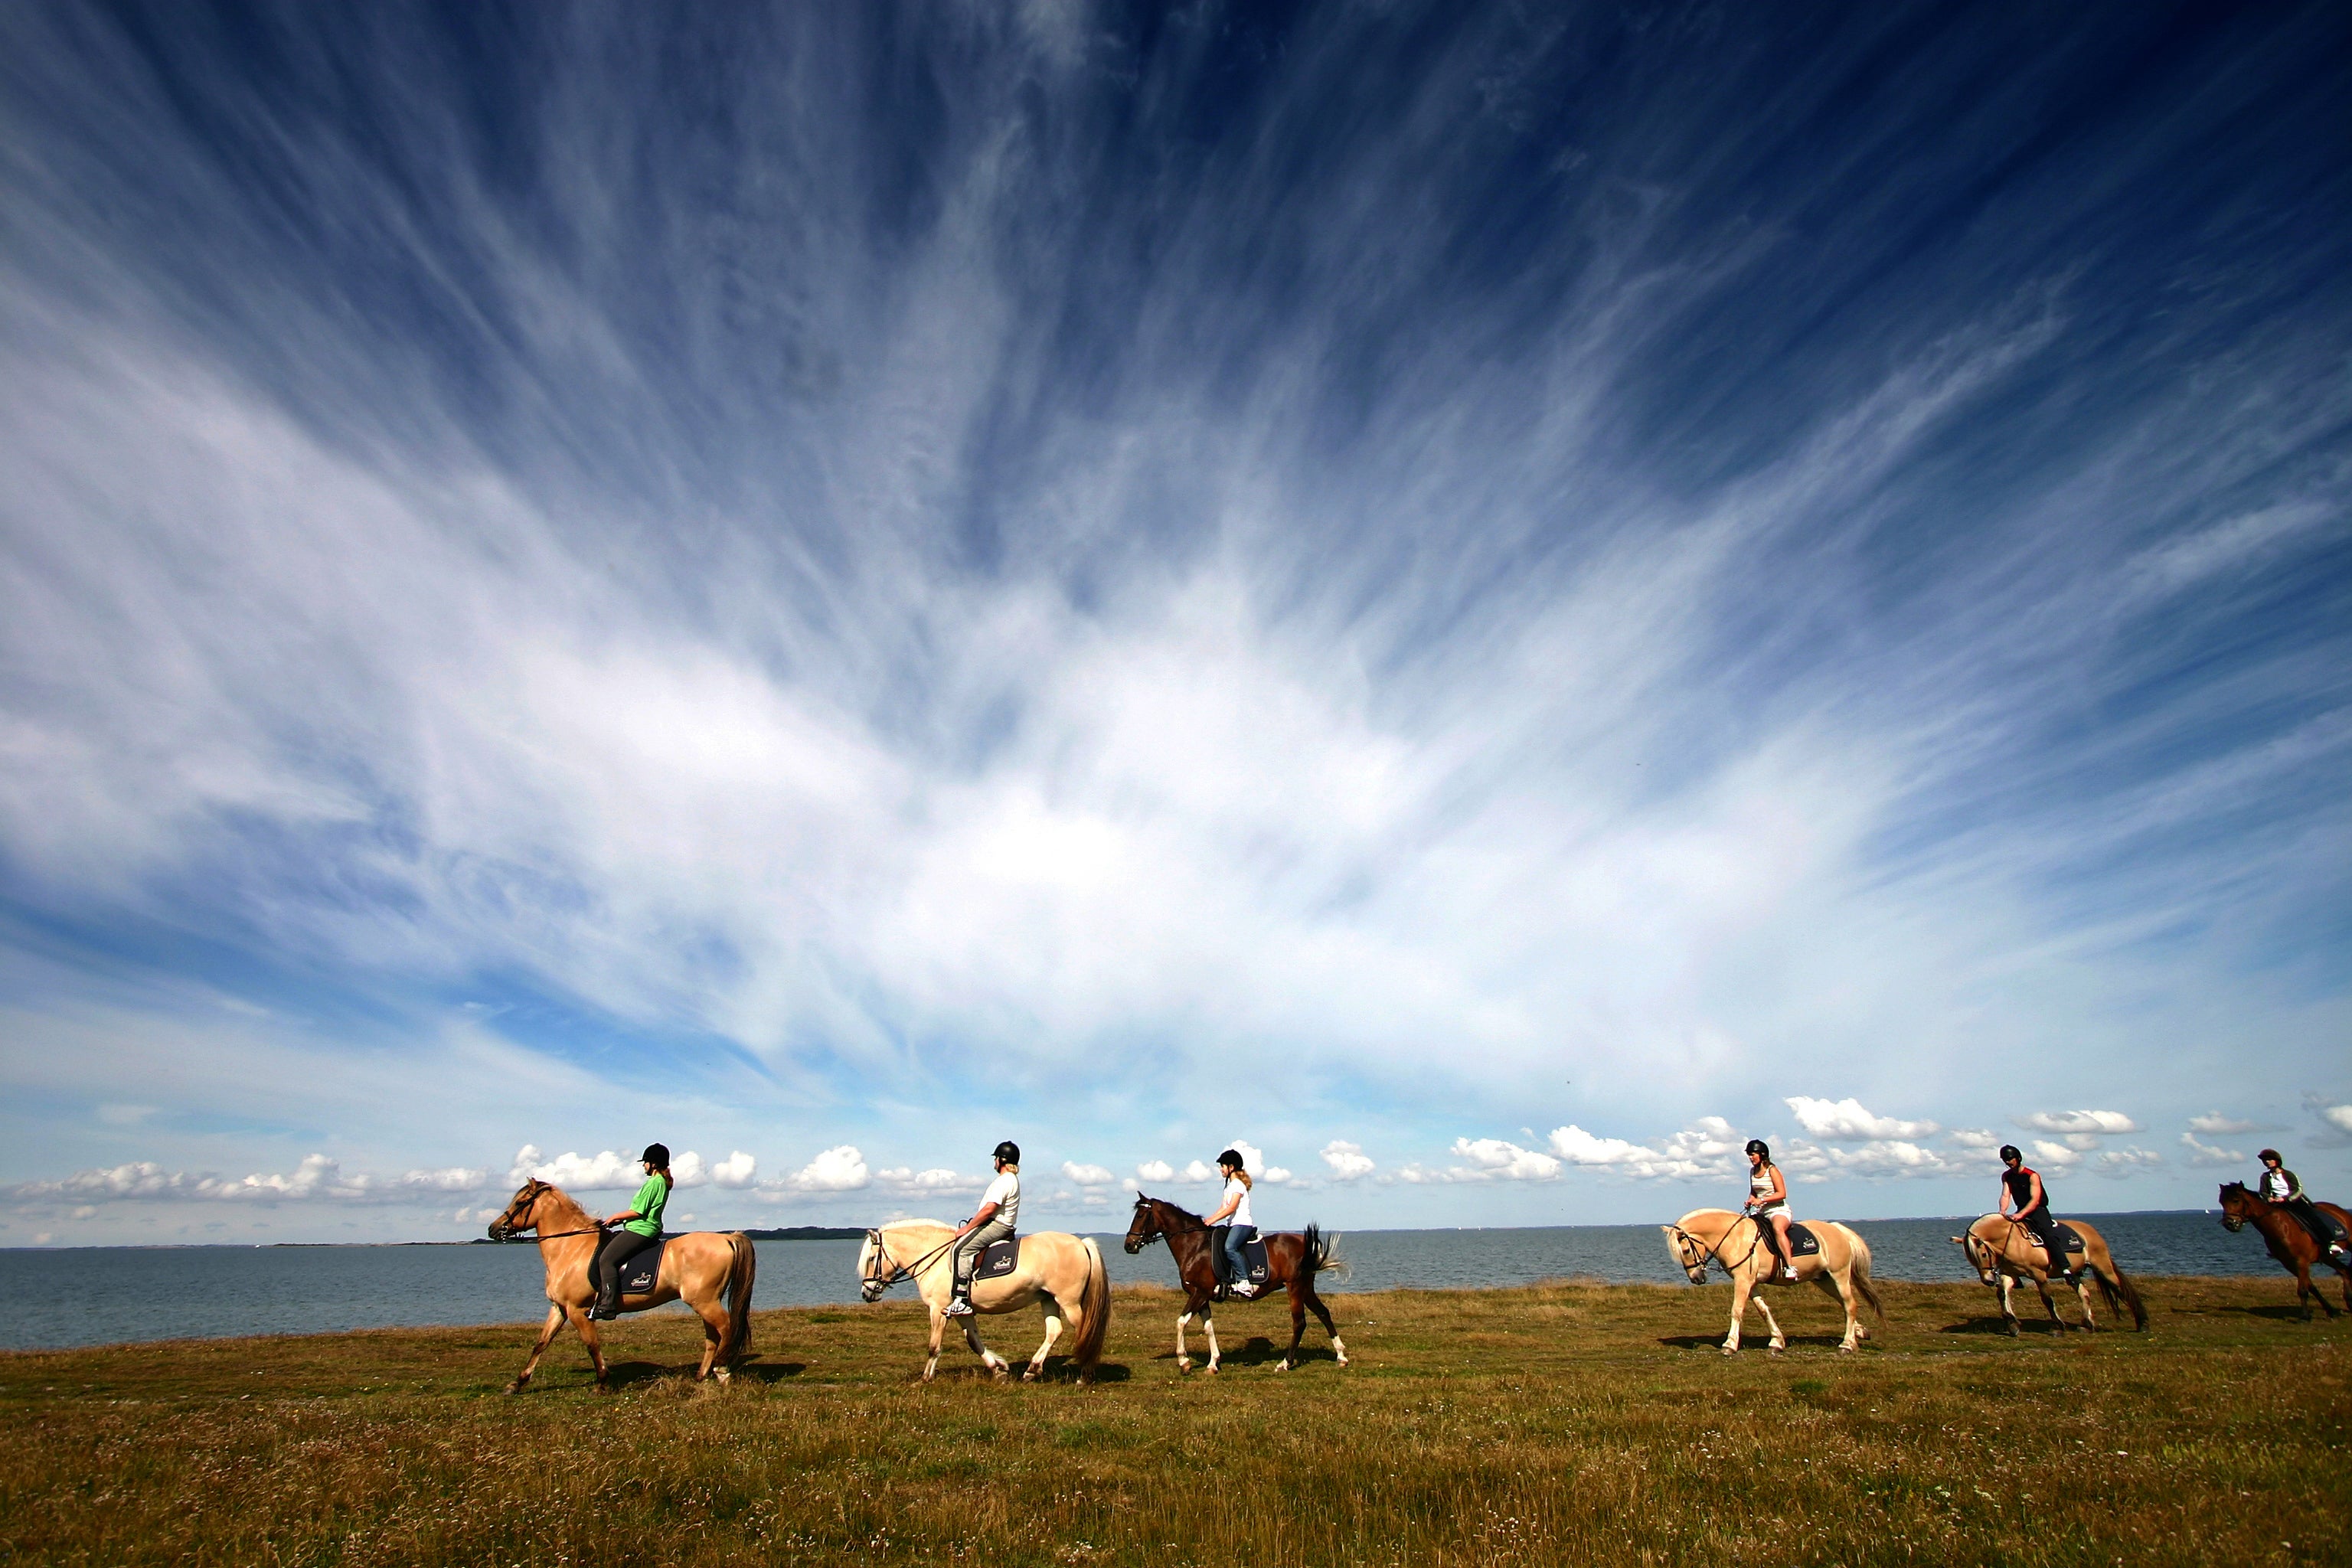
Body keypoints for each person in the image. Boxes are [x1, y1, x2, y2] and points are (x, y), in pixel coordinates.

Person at [593, 1143, 671, 1320]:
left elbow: (639, 1212)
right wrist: (622, 1220)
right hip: (641, 1227)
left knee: (606, 1260)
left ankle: (608, 1305)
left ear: (654, 1164)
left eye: (645, 1162)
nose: (643, 1165)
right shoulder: (659, 1182)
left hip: (642, 1230)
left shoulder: (654, 1183)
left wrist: (616, 1216)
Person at [942, 1141, 1021, 1317]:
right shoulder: (1010, 1180)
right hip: (1000, 1223)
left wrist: (968, 1228)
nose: (994, 1163)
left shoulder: (1005, 1180)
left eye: (996, 1159)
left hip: (998, 1224)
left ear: (1002, 1160)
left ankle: (961, 1300)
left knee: (961, 1249)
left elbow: (989, 1209)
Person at [1998, 1145, 2074, 1281]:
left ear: (2018, 1158)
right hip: (2021, 1209)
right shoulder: (2006, 1176)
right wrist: (2002, 1212)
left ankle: (2065, 1268)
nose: (2007, 1162)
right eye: (2005, 1160)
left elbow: (2035, 1200)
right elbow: (2005, 1195)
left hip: (2037, 1210)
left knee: (2048, 1235)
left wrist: (2020, 1215)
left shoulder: (2032, 1175)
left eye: (2010, 1159)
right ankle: (2008, 1271)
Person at [2258, 1148, 2346, 1258]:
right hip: (2276, 1204)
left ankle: (2331, 1243)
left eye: (2269, 1159)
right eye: (2265, 1160)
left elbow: (2298, 1189)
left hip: (2294, 1201)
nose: (2267, 1162)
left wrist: (2285, 1198)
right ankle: (2276, 1248)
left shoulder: (2289, 1174)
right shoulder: (2265, 1177)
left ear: (2277, 1161)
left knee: (2312, 1218)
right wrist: (2269, 1198)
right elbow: (2263, 1191)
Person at [1202, 1149, 1259, 1298]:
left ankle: (1244, 1281)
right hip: (1233, 1225)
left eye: (1223, 1166)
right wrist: (1208, 1220)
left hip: (1242, 1224)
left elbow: (1231, 1208)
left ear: (1231, 1167)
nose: (1221, 1169)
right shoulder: (1229, 1187)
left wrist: (1213, 1220)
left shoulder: (1238, 1185)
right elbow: (1223, 1208)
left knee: (1230, 1247)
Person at [1743, 1139, 1798, 1282]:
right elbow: (1754, 1192)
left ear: (1762, 1155)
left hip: (1778, 1210)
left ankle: (1790, 1266)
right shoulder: (1752, 1172)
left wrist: (1762, 1200)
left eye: (1753, 1154)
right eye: (1749, 1155)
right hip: (1762, 1212)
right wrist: (1750, 1201)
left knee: (1778, 1229)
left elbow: (1782, 1193)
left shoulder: (1772, 1170)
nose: (1750, 1158)